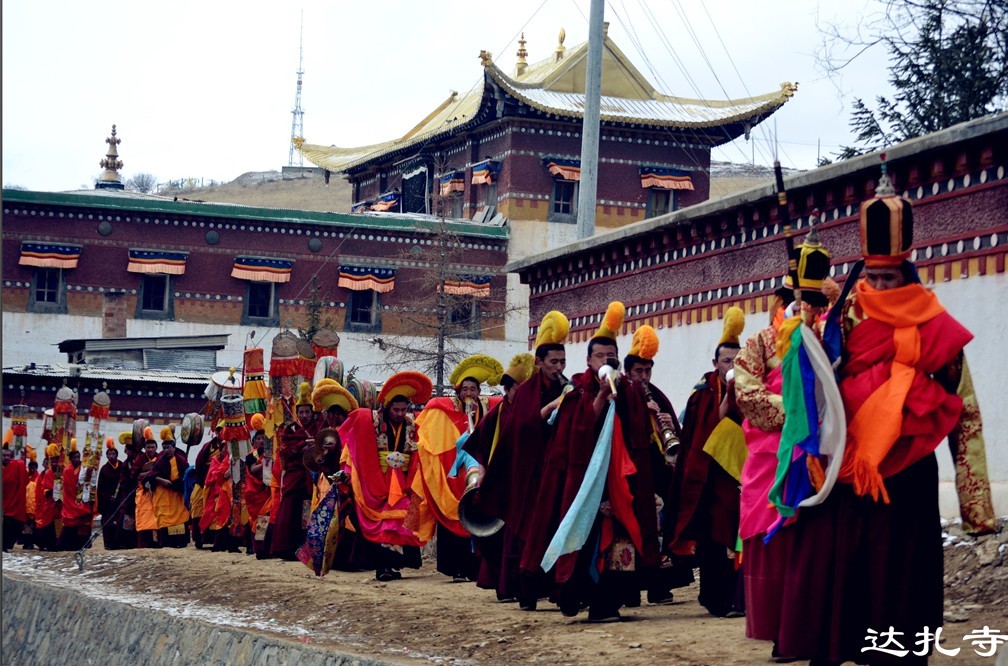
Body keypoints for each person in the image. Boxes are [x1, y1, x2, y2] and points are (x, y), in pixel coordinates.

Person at [771, 163, 997, 664]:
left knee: (896, 572)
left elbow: (967, 411)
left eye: (887, 276)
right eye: (870, 276)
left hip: (905, 467)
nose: (876, 285)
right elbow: (815, 388)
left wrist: (975, 504)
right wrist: (802, 344)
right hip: (847, 464)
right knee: (836, 564)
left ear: (906, 272)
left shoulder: (935, 324)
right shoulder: (840, 318)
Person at [522, 302, 661, 622]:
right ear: (588, 360)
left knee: (619, 545)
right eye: (600, 355)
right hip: (585, 483)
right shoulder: (576, 391)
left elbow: (637, 438)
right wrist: (600, 397)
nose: (606, 360)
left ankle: (607, 604)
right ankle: (578, 596)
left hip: (620, 479)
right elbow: (577, 435)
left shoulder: (628, 390)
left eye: (611, 355)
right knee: (586, 542)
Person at [475, 311, 569, 609]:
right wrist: (555, 404)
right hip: (526, 472)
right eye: (553, 362)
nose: (558, 368)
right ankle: (521, 590)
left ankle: (549, 586)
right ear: (539, 362)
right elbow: (525, 426)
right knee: (522, 533)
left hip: (553, 470)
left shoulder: (564, 387)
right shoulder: (528, 391)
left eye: (562, 362)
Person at [668, 307, 746, 618]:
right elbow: (707, 432)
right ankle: (716, 599)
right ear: (715, 363)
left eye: (738, 361)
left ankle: (734, 597)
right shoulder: (702, 393)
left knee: (736, 539)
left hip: (738, 475)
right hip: (711, 480)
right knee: (716, 540)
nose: (733, 366)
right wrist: (728, 397)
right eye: (727, 361)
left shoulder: (748, 385)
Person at [338, 371, 434, 581]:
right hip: (377, 478)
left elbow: (419, 449)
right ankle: (383, 567)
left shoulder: (412, 425)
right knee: (382, 524)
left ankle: (394, 564)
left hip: (402, 480)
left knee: (399, 522)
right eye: (396, 409)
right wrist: (348, 470)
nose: (400, 413)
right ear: (386, 407)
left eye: (403, 409)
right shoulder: (372, 421)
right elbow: (355, 442)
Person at [415, 354, 504, 582]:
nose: (468, 394)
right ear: (457, 391)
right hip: (454, 473)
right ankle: (455, 568)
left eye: (473, 389)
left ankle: (477, 568)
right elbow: (432, 415)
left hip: (479, 471)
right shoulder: (446, 409)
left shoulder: (488, 408)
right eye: (464, 389)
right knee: (453, 512)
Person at [462, 353, 535, 598]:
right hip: (500, 480)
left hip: (525, 481)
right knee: (498, 538)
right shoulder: (499, 411)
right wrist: (481, 474)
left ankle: (523, 586)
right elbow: (480, 444)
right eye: (514, 388)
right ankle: (503, 587)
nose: (517, 393)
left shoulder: (531, 411)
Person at [622, 324, 685, 605]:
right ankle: (631, 589)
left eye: (648, 371)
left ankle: (663, 584)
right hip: (629, 468)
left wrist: (669, 427)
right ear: (628, 372)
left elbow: (676, 440)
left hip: (654, 462)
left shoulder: (656, 395)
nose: (644, 377)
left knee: (671, 509)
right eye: (639, 372)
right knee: (636, 527)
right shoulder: (622, 393)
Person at [271, 382, 318, 560]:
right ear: (296, 413)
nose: (304, 415)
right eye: (301, 412)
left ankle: (308, 547)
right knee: (291, 509)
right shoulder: (291, 429)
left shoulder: (317, 427)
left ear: (312, 413)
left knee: (309, 509)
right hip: (295, 475)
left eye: (307, 412)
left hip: (311, 476)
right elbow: (285, 450)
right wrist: (301, 446)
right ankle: (286, 548)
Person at [141, 427, 191, 548]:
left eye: (169, 448)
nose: (166, 450)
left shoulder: (181, 460)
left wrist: (178, 484)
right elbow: (151, 475)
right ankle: (166, 542)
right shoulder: (159, 460)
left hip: (176, 494)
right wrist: (161, 480)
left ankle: (179, 542)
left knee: (180, 517)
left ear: (174, 448)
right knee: (164, 517)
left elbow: (187, 474)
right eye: (164, 448)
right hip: (163, 493)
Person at [57, 442, 95, 551]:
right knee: (70, 525)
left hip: (82, 500)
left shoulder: (82, 468)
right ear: (70, 459)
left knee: (83, 525)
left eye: (78, 457)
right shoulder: (67, 470)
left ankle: (81, 546)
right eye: (74, 457)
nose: (77, 459)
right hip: (71, 502)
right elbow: (69, 488)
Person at [97, 438, 125, 550]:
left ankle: (119, 543)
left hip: (120, 499)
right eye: (109, 454)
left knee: (119, 522)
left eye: (113, 454)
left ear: (117, 455)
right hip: (108, 501)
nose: (112, 456)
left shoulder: (122, 466)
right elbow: (101, 487)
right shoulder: (104, 469)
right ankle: (109, 544)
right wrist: (107, 498)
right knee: (108, 522)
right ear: (107, 456)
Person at [133, 431, 160, 548]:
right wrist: (150, 473)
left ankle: (157, 542)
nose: (150, 449)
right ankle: (144, 543)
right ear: (144, 448)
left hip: (156, 491)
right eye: (148, 447)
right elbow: (135, 475)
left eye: (152, 447)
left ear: (156, 448)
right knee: (144, 516)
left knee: (156, 517)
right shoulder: (140, 458)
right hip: (143, 492)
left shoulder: (159, 457)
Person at [33, 446, 62, 551]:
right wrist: (52, 491)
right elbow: (45, 487)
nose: (54, 462)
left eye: (56, 460)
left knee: (58, 524)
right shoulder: (48, 473)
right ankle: (49, 544)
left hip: (59, 504)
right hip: (49, 503)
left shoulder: (61, 471)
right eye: (52, 460)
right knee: (49, 526)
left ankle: (57, 544)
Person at [2, 444, 30, 552]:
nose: (6, 458)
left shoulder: (17, 466)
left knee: (13, 525)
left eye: (8, 456)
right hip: (3, 501)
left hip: (14, 502)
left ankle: (7, 544)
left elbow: (25, 481)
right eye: (4, 455)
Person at [22, 454, 39, 550]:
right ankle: (26, 543)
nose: (32, 470)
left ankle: (30, 543)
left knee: (32, 526)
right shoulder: (27, 478)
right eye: (30, 468)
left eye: (34, 468)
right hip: (26, 506)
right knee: (25, 526)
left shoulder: (38, 478)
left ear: (36, 468)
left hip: (33, 506)